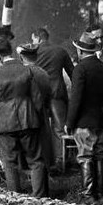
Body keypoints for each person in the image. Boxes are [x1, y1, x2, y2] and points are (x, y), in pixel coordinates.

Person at [0, 39, 48, 196]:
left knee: (10, 162)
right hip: (28, 119)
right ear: (12, 52)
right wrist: (39, 119)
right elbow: (37, 98)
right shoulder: (26, 70)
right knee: (35, 160)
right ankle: (40, 197)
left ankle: (15, 197)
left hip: (5, 123)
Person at [66, 32, 103, 200]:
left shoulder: (80, 69)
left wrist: (70, 121)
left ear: (80, 51)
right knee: (101, 154)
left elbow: (76, 98)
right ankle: (101, 190)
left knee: (85, 155)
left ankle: (89, 193)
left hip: (84, 121)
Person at [31, 27, 73, 171]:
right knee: (60, 129)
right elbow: (73, 74)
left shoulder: (33, 52)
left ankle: (44, 162)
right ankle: (61, 161)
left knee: (39, 127)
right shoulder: (60, 51)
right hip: (57, 93)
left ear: (37, 38)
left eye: (33, 39)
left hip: (39, 94)